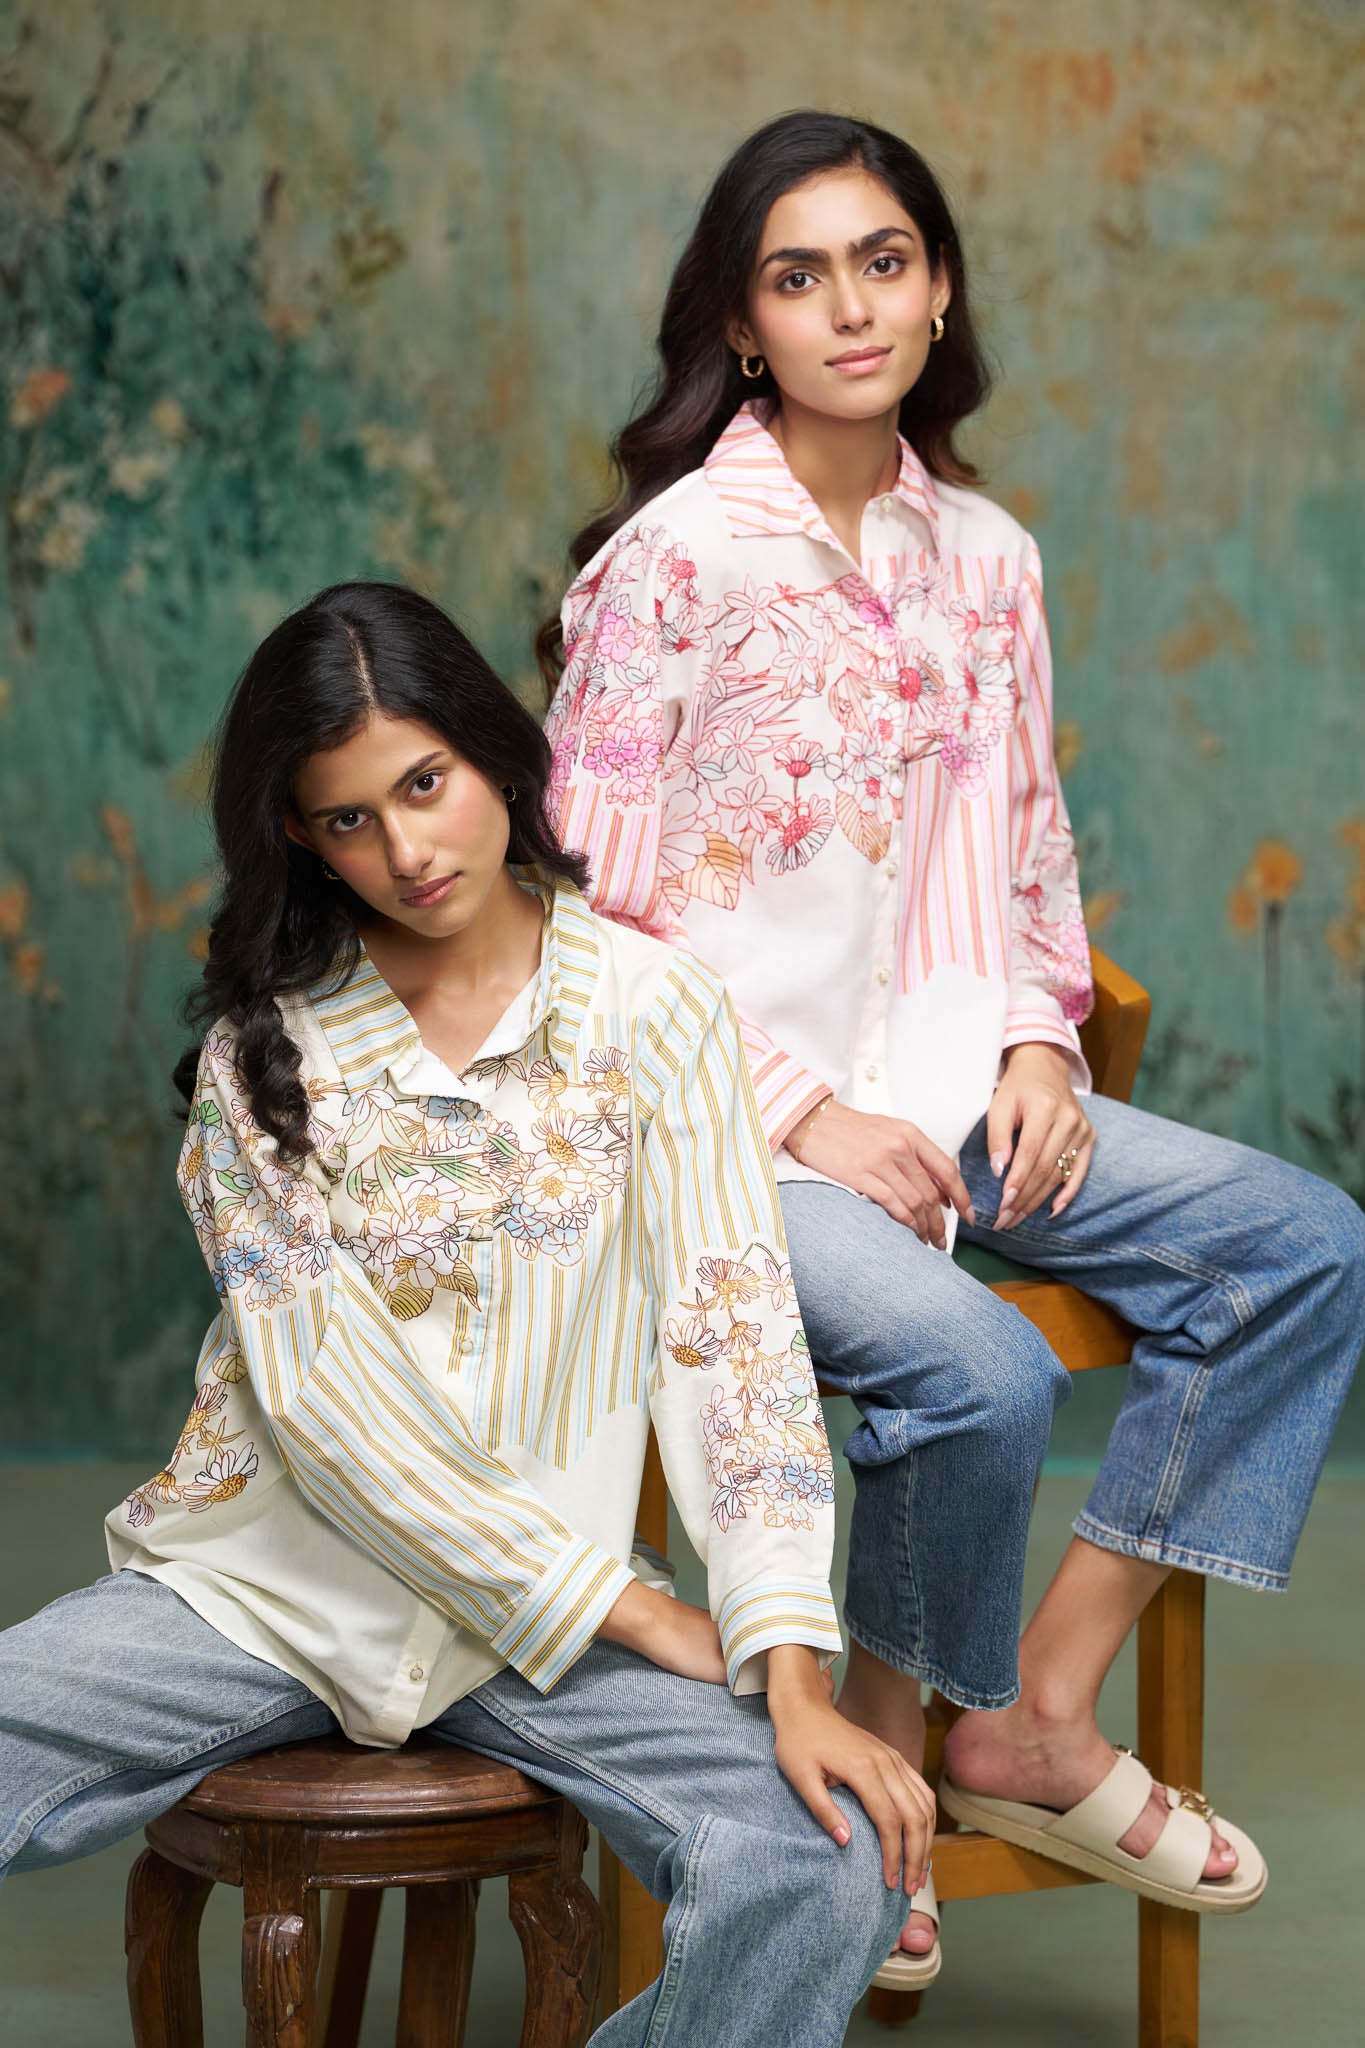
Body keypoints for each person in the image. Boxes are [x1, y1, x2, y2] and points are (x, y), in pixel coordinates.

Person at [541, 109, 1365, 1985]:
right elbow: (578, 924)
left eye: (884, 260)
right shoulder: (669, 568)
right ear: (740, 323)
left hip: (963, 1092)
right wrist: (799, 1114)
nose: (850, 306)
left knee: (1303, 1248)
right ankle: (884, 1768)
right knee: (979, 1371)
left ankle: (1033, 1718)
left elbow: (1026, 849)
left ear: (936, 291)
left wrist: (1036, 1040)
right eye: (798, 274)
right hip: (724, 1131)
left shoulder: (988, 556)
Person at [0, 580, 936, 2046]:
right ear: (300, 836)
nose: (407, 850)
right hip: (269, 1592)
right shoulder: (263, 1060)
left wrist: (787, 1666)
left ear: (495, 755)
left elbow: (735, 1347)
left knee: (834, 1854)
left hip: (542, 1635)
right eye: (348, 817)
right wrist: (640, 1611)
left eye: (424, 783)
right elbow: (330, 1414)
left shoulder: (658, 1013)